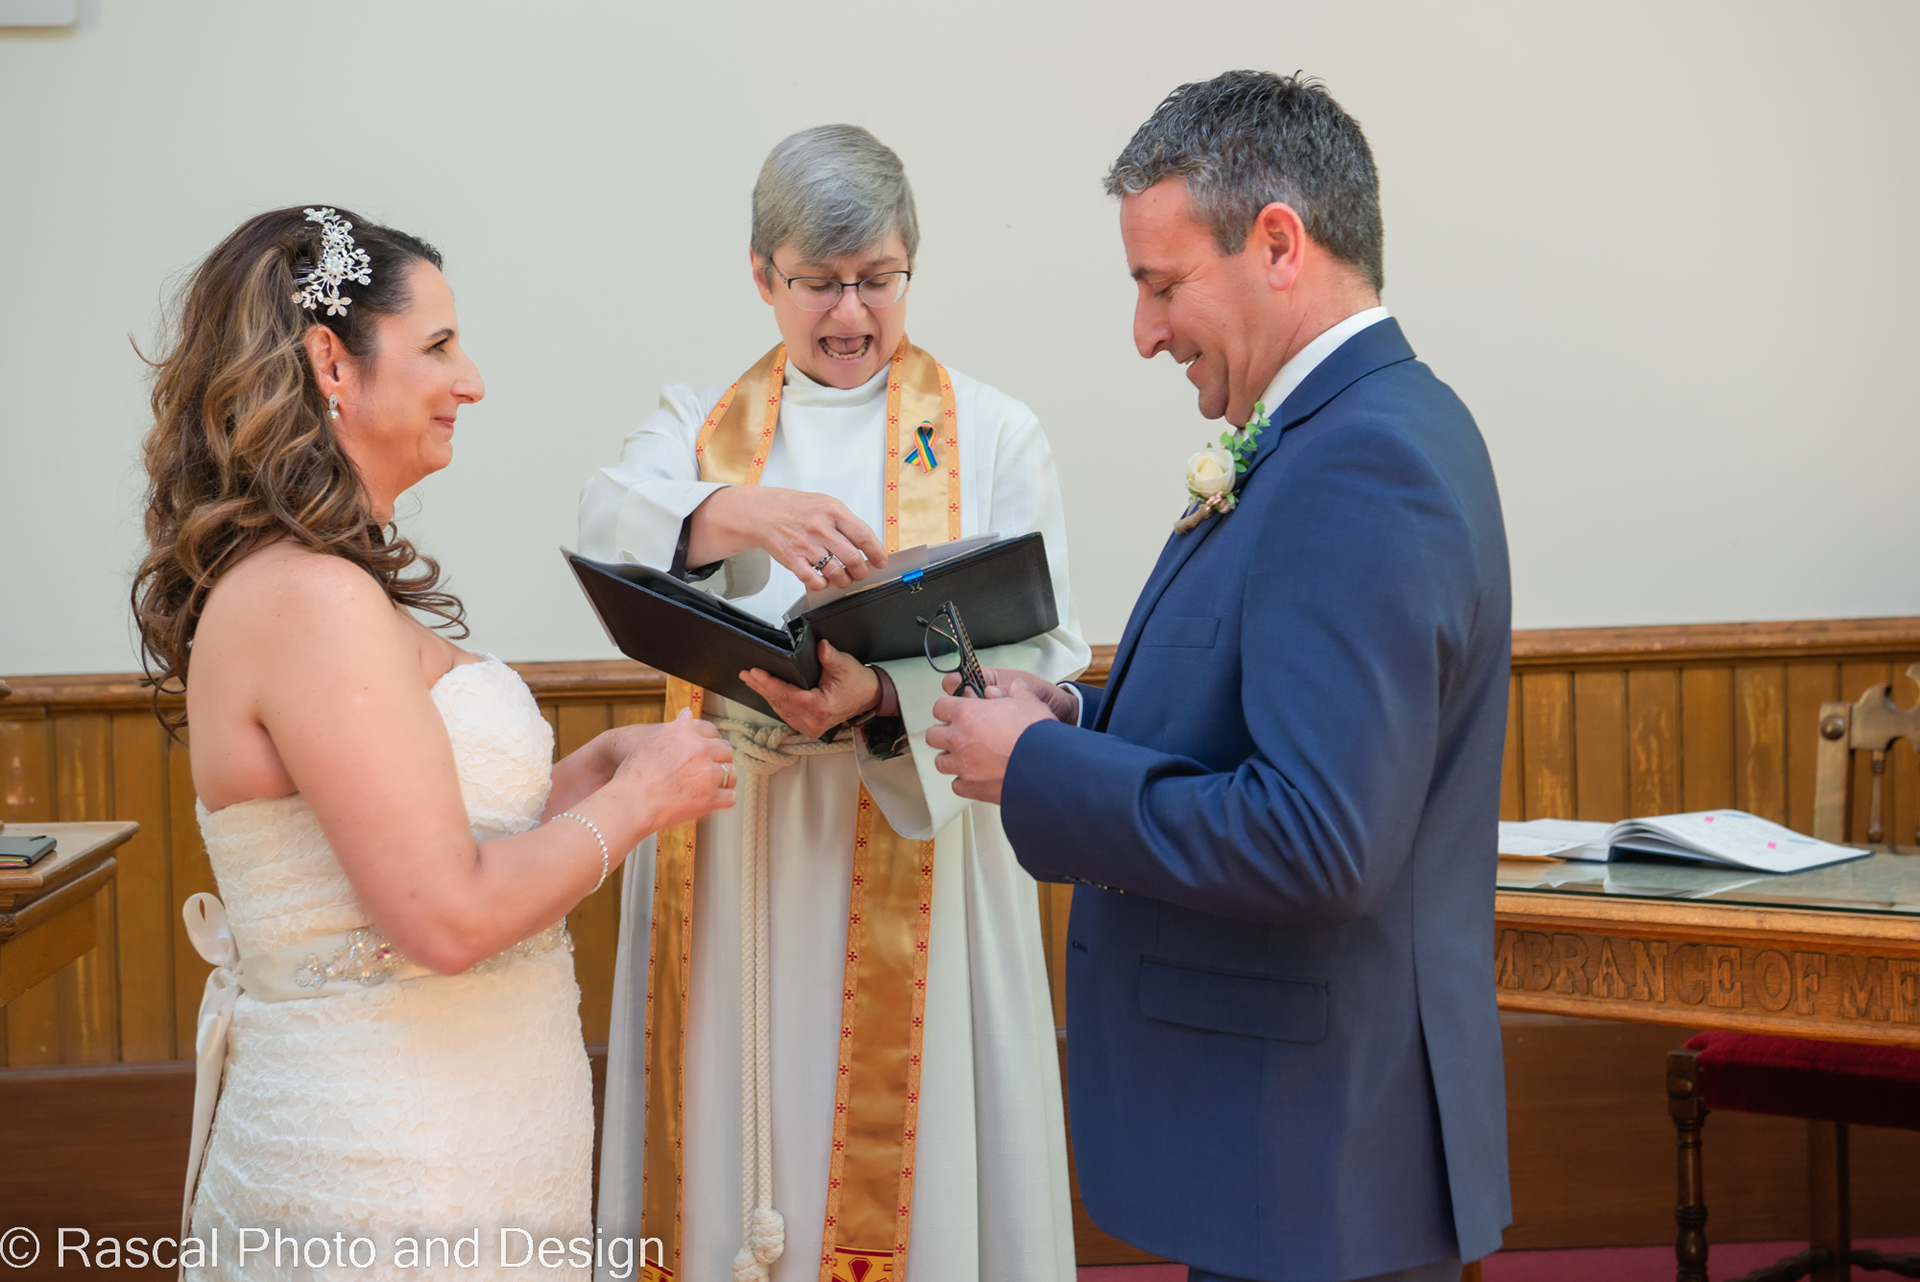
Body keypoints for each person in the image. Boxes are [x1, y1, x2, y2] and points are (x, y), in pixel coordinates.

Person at [927, 73, 1513, 1282]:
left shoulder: (1364, 465)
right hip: (1287, 1146)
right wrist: (1076, 713)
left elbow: (1318, 838)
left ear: (1280, 243)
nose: (1144, 331)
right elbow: (1262, 717)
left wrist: (1039, 769)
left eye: (1161, 283)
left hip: (1318, 1150)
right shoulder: (1331, 436)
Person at [132, 205, 736, 1280]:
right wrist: (634, 806)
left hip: (468, 1139)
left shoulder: (326, 590)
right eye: (441, 345)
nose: (473, 381)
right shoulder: (308, 601)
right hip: (384, 1175)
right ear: (332, 362)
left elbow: (404, 850)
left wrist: (577, 783)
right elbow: (446, 917)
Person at [579, 125, 1086, 1282]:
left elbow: (1050, 652)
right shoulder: (698, 431)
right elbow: (607, 519)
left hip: (920, 833)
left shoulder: (994, 433)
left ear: (912, 267)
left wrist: (881, 701)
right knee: (741, 1150)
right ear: (763, 275)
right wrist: (734, 513)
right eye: (819, 283)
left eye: (878, 280)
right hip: (739, 844)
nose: (850, 315)